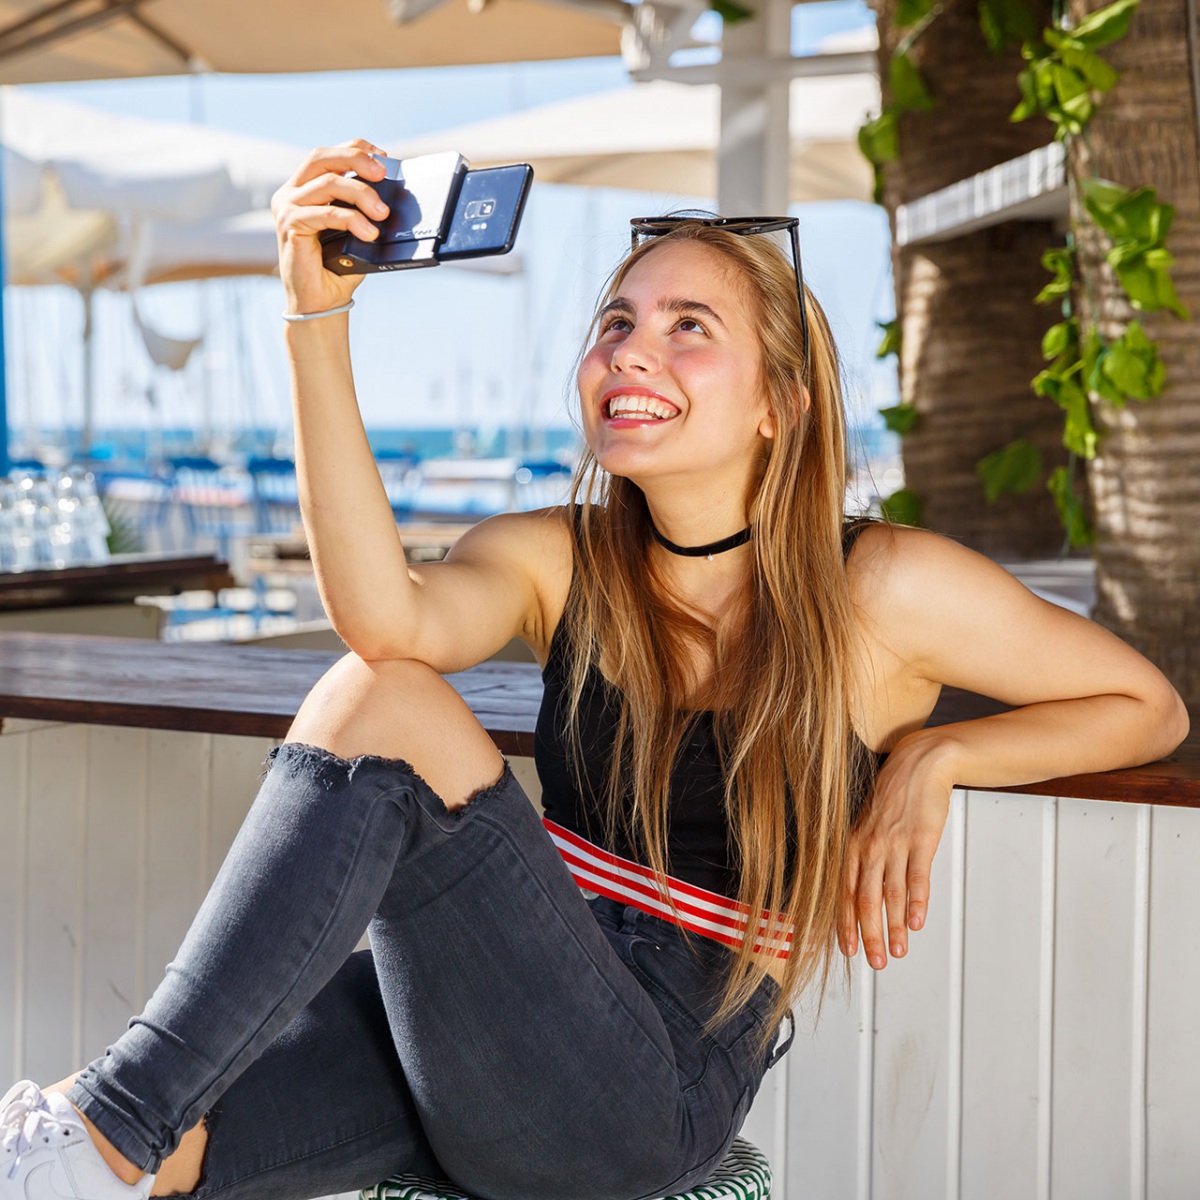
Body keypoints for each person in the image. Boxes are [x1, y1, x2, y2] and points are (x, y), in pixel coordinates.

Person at [2, 141, 1188, 1200]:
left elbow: (1147, 706)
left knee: (382, 705)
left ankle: (95, 1130)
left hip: (641, 1091)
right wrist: (315, 318)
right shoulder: (557, 559)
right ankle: (90, 1137)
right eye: (617, 321)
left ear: (779, 405)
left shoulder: (882, 587)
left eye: (689, 327)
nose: (632, 349)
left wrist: (940, 752)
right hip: (492, 1014)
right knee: (151, 1147)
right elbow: (385, 620)